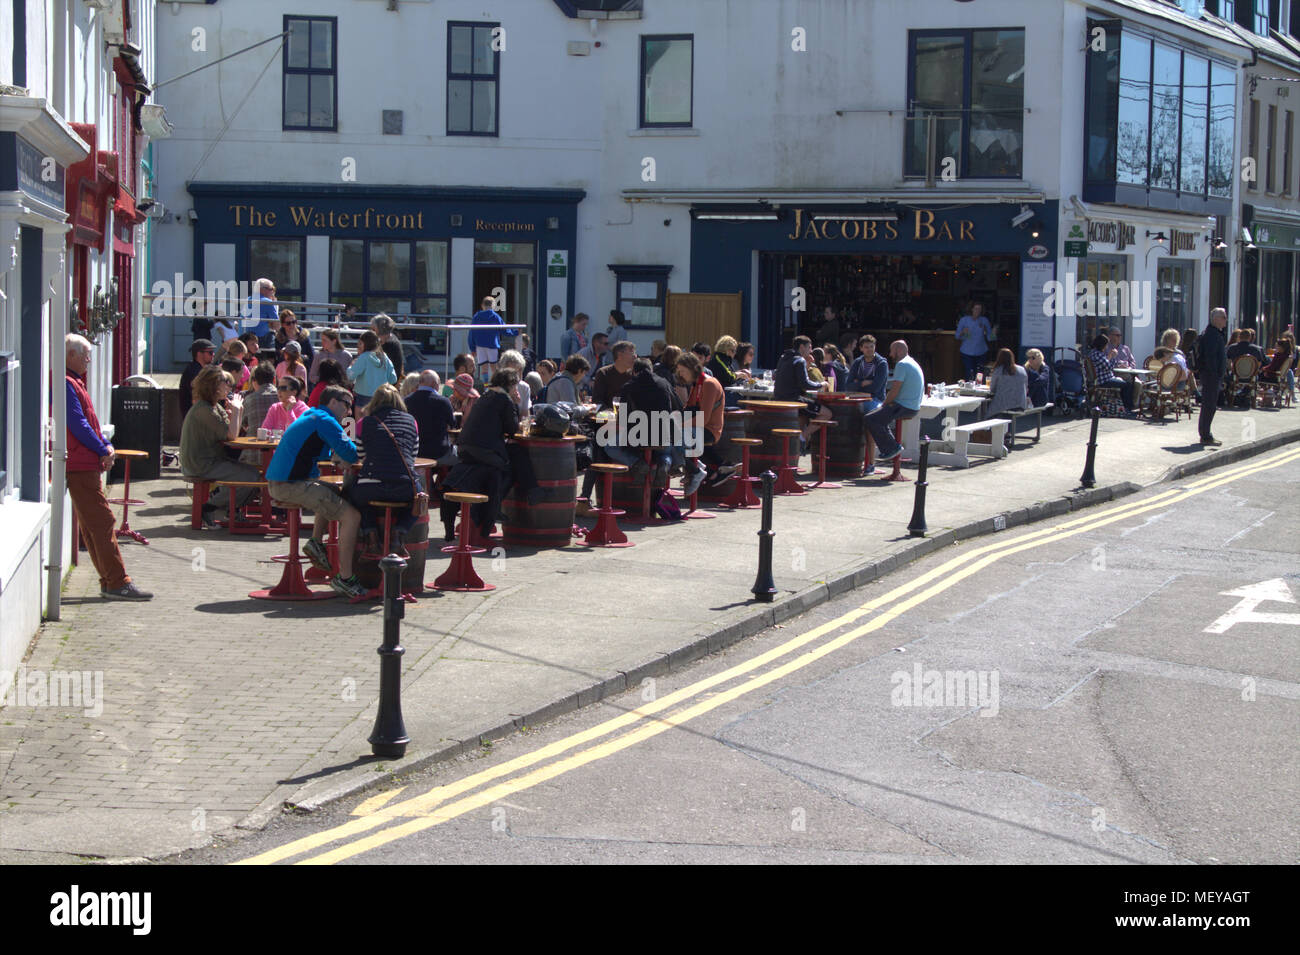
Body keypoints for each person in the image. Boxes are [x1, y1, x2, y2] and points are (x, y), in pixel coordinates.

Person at [64, 334, 152, 600]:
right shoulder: (67, 384)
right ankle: (116, 582)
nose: (90, 359)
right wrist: (103, 448)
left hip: (83, 462)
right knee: (102, 521)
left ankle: (109, 580)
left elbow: (88, 422)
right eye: (86, 354)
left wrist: (105, 445)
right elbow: (77, 424)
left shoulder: (74, 383)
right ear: (71, 355)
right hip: (79, 464)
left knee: (94, 524)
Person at [265, 385, 365, 599]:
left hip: (282, 482)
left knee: (332, 490)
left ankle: (316, 542)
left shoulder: (311, 415)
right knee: (352, 516)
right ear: (333, 402)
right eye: (347, 405)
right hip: (289, 485)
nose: (349, 411)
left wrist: (340, 454)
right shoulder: (325, 420)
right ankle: (345, 578)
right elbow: (351, 453)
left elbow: (326, 454)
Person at [440, 369, 521, 541]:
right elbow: (513, 429)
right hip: (485, 452)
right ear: (510, 385)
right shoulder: (503, 399)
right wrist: (515, 404)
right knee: (508, 471)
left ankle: (469, 523)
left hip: (464, 449)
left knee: (475, 474)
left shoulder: (485, 396)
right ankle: (492, 514)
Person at [180, 366, 261, 523]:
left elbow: (234, 430)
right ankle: (209, 508)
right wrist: (237, 411)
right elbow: (231, 435)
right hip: (200, 463)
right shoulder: (204, 409)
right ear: (213, 385)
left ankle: (232, 510)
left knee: (255, 474)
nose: (230, 388)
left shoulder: (214, 406)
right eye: (227, 383)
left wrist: (237, 411)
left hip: (211, 459)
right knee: (250, 477)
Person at [348, 385, 421, 558]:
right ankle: (399, 532)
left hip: (371, 486)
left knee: (357, 498)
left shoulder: (363, 423)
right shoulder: (411, 421)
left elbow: (360, 455)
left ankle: (371, 536)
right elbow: (413, 454)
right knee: (420, 501)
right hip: (404, 487)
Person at [605, 357, 679, 484]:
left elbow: (623, 418)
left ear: (634, 371)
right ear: (651, 369)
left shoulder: (628, 387)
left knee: (609, 446)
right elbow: (678, 407)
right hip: (661, 435)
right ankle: (664, 464)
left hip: (636, 436)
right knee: (667, 449)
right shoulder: (664, 384)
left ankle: (638, 463)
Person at [675, 351, 733, 493]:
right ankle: (696, 467)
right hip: (699, 427)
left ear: (692, 368)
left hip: (709, 430)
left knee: (671, 437)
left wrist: (678, 425)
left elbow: (703, 419)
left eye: (683, 371)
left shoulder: (709, 384)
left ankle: (695, 469)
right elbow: (689, 410)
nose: (681, 375)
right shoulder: (697, 384)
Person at [864, 340, 925, 463]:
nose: (890, 354)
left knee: (869, 418)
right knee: (879, 417)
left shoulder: (902, 364)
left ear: (898, 350)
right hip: (912, 406)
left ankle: (891, 447)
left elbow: (895, 390)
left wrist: (884, 404)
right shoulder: (912, 362)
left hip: (904, 406)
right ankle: (891, 446)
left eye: (892, 351)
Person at [775, 335, 831, 447]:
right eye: (809, 347)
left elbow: (793, 378)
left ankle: (797, 442)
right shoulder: (800, 360)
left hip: (780, 398)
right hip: (793, 400)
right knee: (827, 413)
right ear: (801, 347)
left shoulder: (783, 357)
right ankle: (802, 438)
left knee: (804, 415)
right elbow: (805, 384)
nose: (811, 351)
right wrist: (821, 384)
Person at [406, 369, 458, 466]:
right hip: (439, 453)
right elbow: (453, 423)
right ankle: (448, 480)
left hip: (415, 453)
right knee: (463, 456)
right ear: (435, 384)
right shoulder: (443, 401)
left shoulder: (407, 401)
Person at [1198, 308, 1229, 446]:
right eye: (1223, 317)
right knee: (1209, 406)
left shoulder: (1215, 333)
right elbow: (1210, 357)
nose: (1225, 319)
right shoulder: (1212, 334)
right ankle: (1205, 436)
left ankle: (1205, 434)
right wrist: (1215, 374)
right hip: (1211, 376)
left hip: (1213, 375)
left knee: (1210, 406)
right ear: (1215, 318)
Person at [1086, 333, 1136, 411]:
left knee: (1123, 382)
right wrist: (1113, 356)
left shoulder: (1093, 353)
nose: (1106, 347)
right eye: (1106, 345)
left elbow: (1105, 363)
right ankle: (1127, 407)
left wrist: (1113, 360)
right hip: (1104, 380)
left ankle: (1122, 406)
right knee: (1127, 385)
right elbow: (1109, 367)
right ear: (1102, 345)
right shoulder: (1098, 354)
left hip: (1101, 379)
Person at [351, 329, 397, 407]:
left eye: (360, 343)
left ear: (366, 344)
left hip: (363, 396)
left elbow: (351, 375)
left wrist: (351, 366)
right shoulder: (384, 357)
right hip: (382, 395)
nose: (358, 346)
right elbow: (393, 379)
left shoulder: (363, 357)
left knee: (362, 419)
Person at [846, 334, 889, 411]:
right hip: (856, 398)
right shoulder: (857, 362)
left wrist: (857, 384)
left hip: (875, 399)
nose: (869, 349)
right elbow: (848, 385)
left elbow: (875, 388)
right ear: (861, 348)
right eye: (866, 347)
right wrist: (862, 383)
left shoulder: (881, 364)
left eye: (871, 346)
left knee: (867, 409)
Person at [591, 340, 637, 409]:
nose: (635, 356)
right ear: (620, 355)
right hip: (607, 417)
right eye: (631, 353)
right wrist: (609, 412)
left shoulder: (635, 375)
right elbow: (597, 400)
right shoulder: (603, 373)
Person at [469, 295, 506, 379]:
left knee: (484, 369)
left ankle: (486, 387)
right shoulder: (495, 317)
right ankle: (495, 386)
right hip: (492, 345)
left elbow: (472, 333)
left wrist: (472, 348)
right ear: (493, 305)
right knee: (494, 368)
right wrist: (515, 332)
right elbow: (504, 330)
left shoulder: (476, 316)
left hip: (480, 345)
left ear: (482, 305)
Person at [178, 339, 216, 419]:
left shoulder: (201, 369)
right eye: (210, 352)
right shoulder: (193, 372)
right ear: (199, 354)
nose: (213, 354)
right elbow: (199, 395)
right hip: (194, 417)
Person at [242, 363, 279, 440]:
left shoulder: (249, 399)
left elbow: (243, 424)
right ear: (274, 379)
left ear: (256, 381)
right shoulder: (283, 397)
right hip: (278, 446)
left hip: (252, 448)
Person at [956, 302, 993, 380]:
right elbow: (957, 336)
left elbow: (990, 337)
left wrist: (993, 333)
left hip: (981, 352)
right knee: (969, 373)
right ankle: (968, 391)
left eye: (980, 309)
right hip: (967, 352)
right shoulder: (964, 320)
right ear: (972, 309)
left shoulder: (984, 320)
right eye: (976, 309)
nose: (978, 311)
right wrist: (963, 332)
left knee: (980, 374)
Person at [988, 347, 1029, 417]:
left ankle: (988, 426)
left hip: (1005, 403)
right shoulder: (1022, 369)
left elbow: (992, 389)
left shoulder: (998, 370)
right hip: (1020, 403)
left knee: (989, 410)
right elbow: (1025, 386)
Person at [498, 349, 532, 416]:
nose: (517, 375)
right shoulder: (496, 388)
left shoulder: (524, 387)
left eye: (520, 370)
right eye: (513, 371)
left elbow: (525, 417)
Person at [371, 312, 404, 380]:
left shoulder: (389, 345)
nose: (371, 332)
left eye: (373, 329)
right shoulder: (391, 339)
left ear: (380, 329)